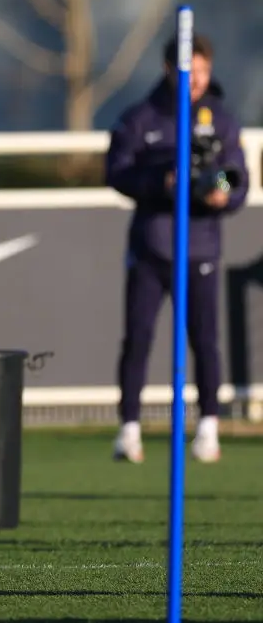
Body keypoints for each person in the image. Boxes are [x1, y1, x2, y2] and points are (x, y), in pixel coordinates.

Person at [105, 32, 248, 464]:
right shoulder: (141, 117)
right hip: (152, 248)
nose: (198, 80)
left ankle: (208, 427)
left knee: (205, 341)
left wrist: (219, 190)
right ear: (171, 70)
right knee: (139, 339)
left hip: (200, 248)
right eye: (191, 71)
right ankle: (129, 428)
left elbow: (235, 176)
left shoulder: (220, 119)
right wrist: (161, 183)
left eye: (205, 71)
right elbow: (117, 172)